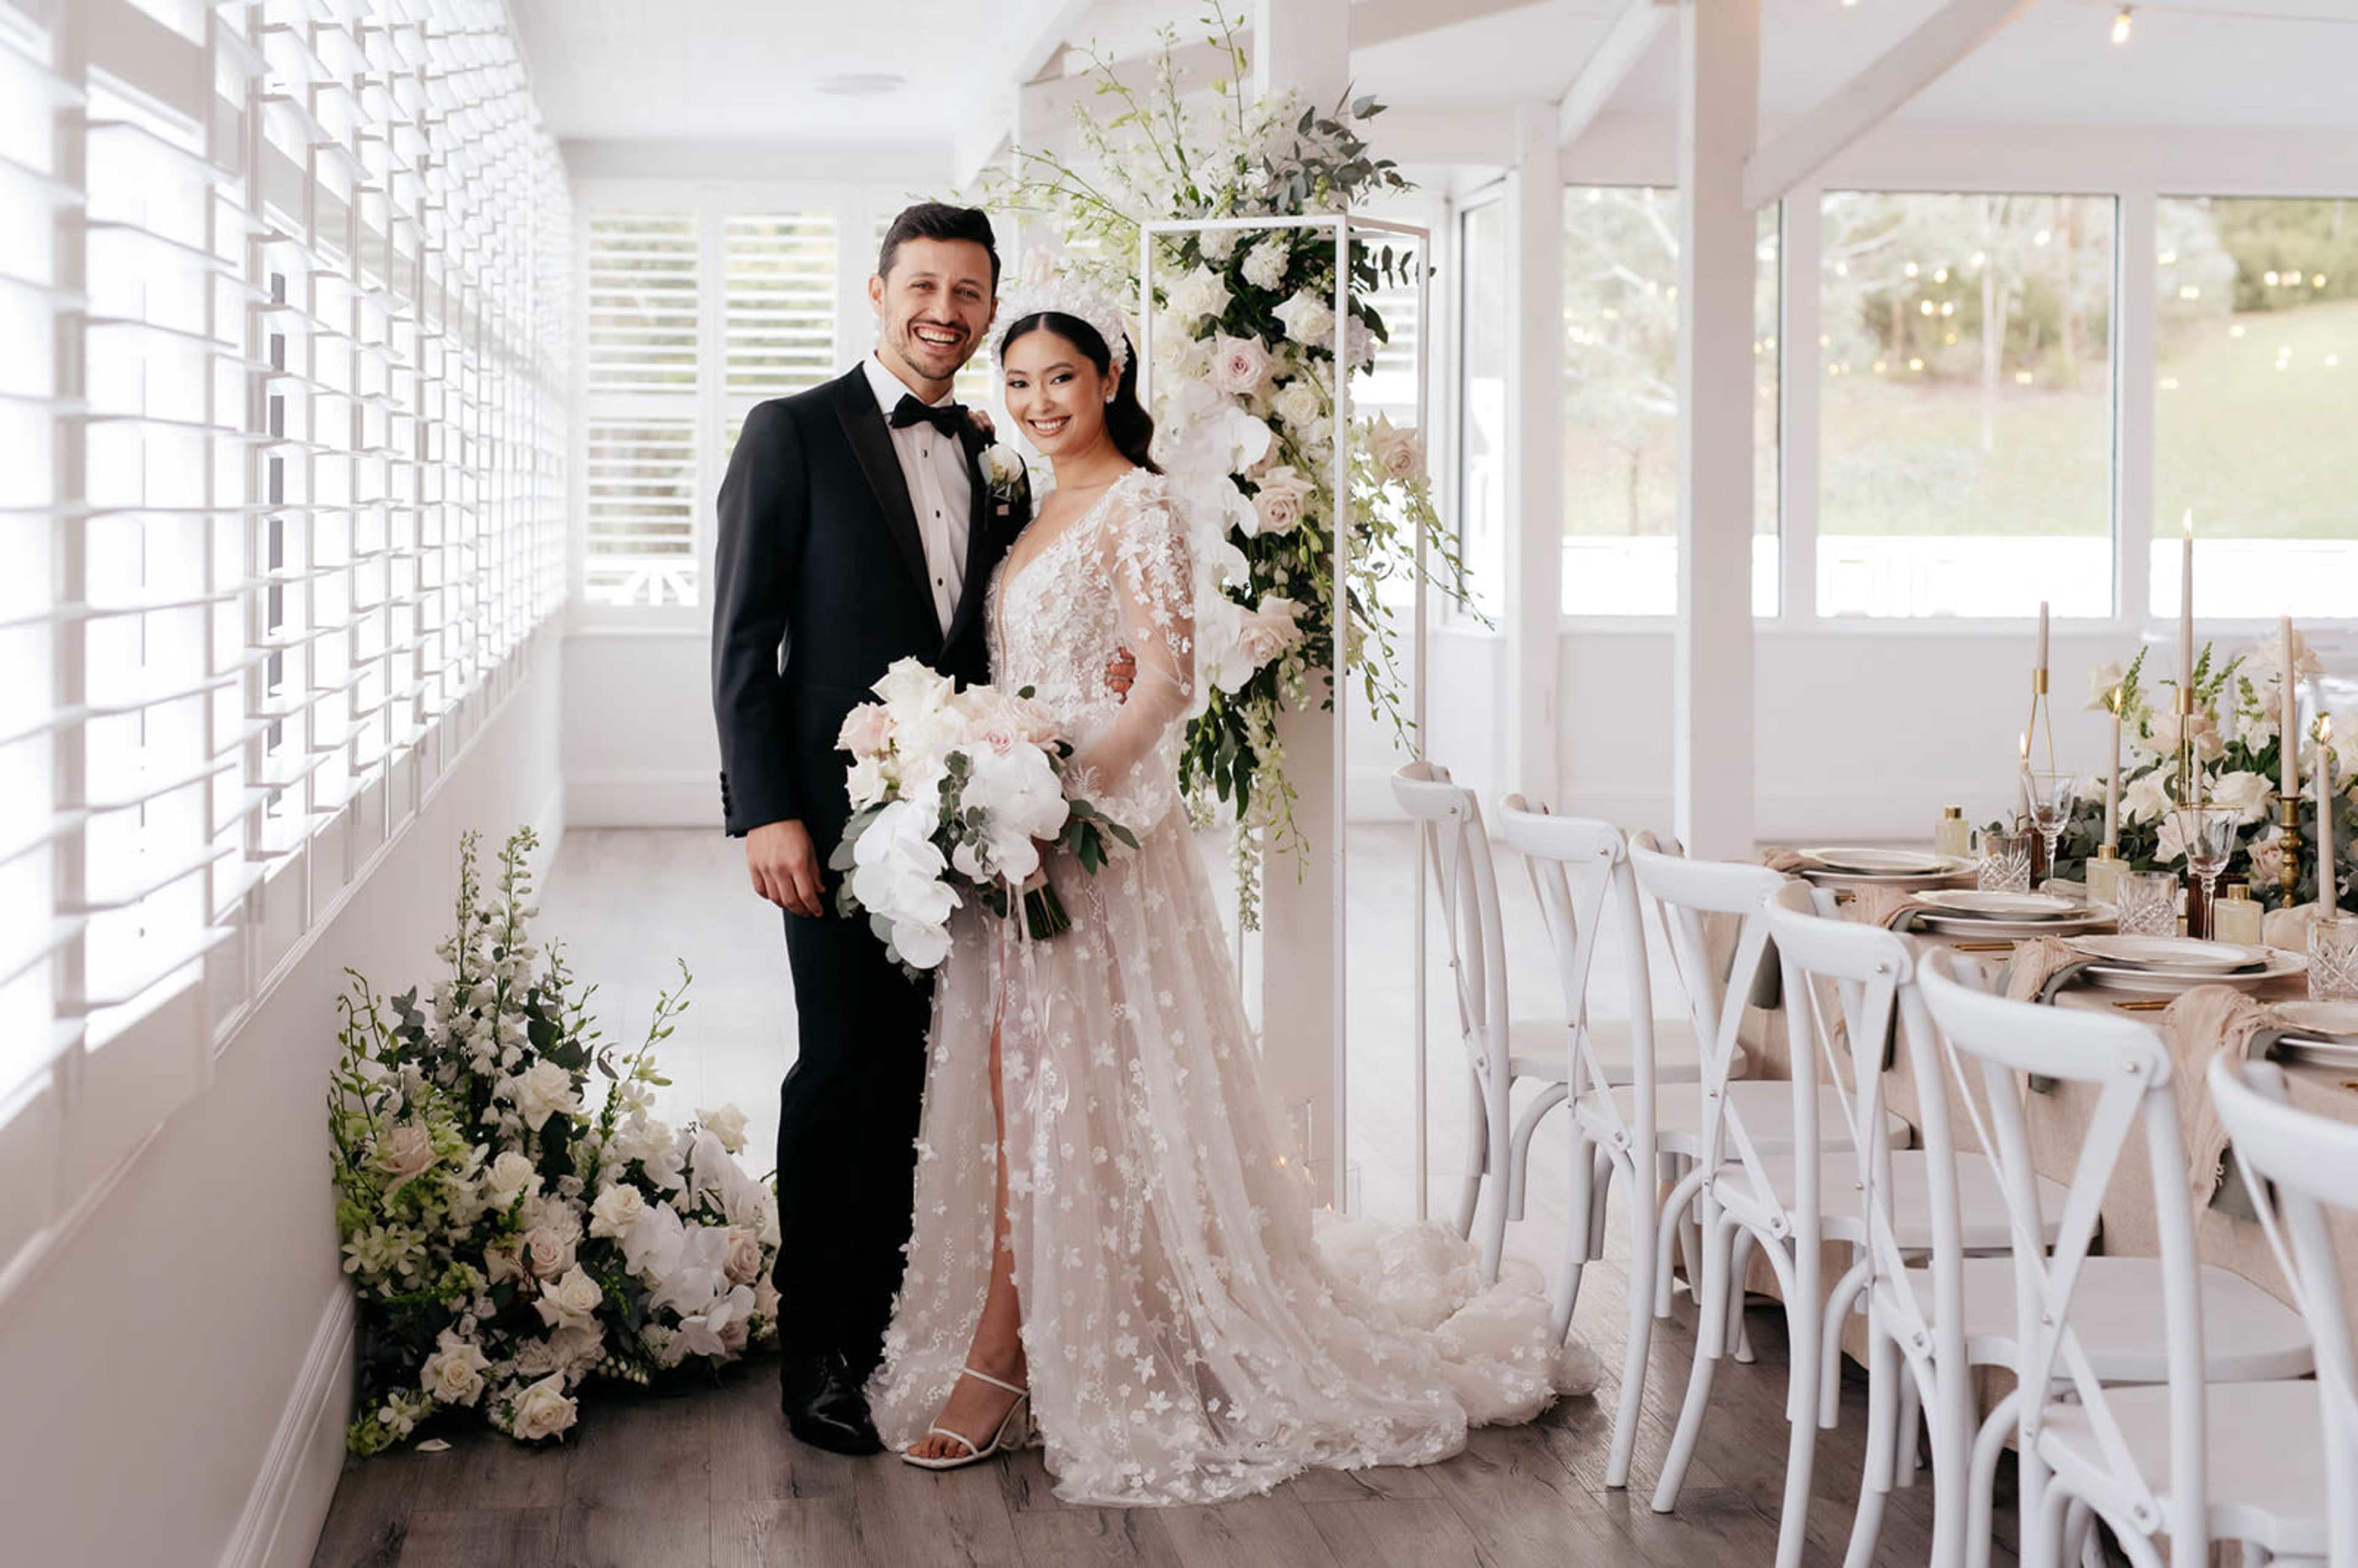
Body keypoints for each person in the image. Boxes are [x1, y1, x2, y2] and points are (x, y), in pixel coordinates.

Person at [868, 274, 1597, 1505]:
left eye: (1065, 377)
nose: (1042, 399)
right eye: (1024, 379)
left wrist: (1061, 794)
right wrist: (987, 779)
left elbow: (1164, 683)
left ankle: (1011, 1350)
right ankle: (1037, 1320)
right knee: (1022, 1091)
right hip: (1014, 838)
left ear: (1112, 381)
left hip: (1088, 841)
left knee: (1069, 1086)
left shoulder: (1137, 505)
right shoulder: (1034, 509)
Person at [709, 203, 1132, 1456]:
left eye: (969, 291)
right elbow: (742, 641)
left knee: (938, 1075)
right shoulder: (790, 432)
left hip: (977, 818)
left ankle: (905, 1314)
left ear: (990, 305)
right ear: (879, 289)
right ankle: (820, 1354)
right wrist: (766, 809)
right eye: (925, 286)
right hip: (836, 828)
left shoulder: (999, 455)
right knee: (842, 1069)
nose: (945, 310)